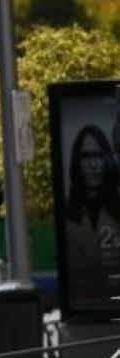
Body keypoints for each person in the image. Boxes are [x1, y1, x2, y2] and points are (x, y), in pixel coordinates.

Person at [63, 124, 120, 308]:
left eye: (98, 155)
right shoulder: (68, 213)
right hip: (84, 307)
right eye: (86, 156)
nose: (93, 164)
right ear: (76, 163)